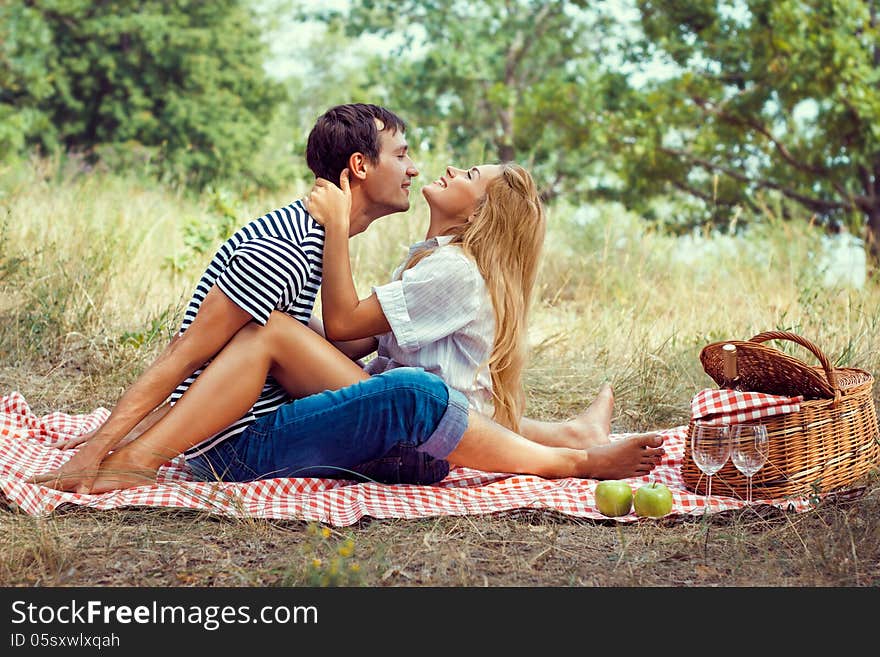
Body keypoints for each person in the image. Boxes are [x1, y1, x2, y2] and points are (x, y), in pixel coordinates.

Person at [31, 112, 664, 494]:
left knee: (399, 382)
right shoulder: (283, 244)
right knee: (401, 384)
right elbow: (184, 359)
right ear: (360, 168)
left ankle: (567, 444)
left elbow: (342, 338)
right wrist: (106, 450)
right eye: (403, 155)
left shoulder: (346, 248)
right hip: (241, 443)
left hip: (303, 430)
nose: (418, 170)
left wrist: (107, 441)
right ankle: (570, 455)